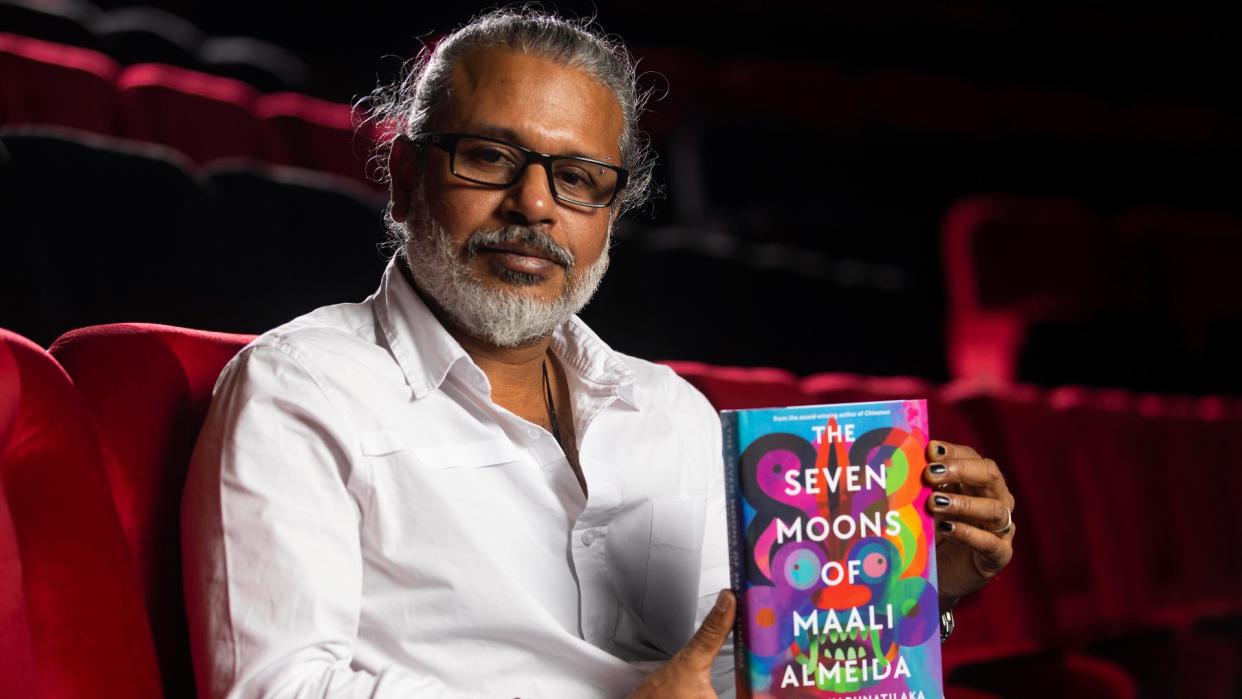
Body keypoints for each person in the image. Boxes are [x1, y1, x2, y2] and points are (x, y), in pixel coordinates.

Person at [181, 8, 1016, 698]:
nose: (535, 203)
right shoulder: (301, 387)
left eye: (578, 177)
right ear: (404, 176)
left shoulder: (672, 411)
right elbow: (276, 688)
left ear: (610, 214)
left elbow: (741, 669)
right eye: (489, 157)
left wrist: (916, 588)